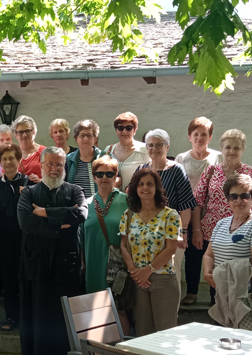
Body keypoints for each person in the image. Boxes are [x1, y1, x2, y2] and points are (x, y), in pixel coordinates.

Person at [16, 147, 87, 355]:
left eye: (59, 164)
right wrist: (60, 225)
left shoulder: (75, 191)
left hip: (66, 270)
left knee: (65, 330)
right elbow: (26, 223)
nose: (54, 169)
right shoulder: (29, 193)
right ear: (42, 165)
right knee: (36, 327)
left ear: (64, 167)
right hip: (36, 270)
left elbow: (81, 214)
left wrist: (45, 213)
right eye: (49, 164)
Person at [193, 129, 252, 304]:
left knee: (242, 277)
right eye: (228, 147)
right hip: (214, 232)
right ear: (222, 149)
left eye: (237, 148)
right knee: (217, 274)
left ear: (242, 150)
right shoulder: (211, 171)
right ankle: (219, 308)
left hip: (244, 233)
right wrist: (197, 230)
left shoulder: (251, 173)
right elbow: (197, 202)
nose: (232, 151)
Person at [119, 168, 181, 336]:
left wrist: (148, 270)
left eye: (149, 184)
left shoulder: (170, 215)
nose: (145, 188)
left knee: (165, 333)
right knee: (143, 333)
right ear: (135, 188)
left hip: (163, 279)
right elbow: (123, 245)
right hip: (138, 281)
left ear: (157, 188)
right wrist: (134, 272)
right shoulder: (128, 215)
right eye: (140, 184)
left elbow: (171, 248)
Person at [203, 173, 252, 307]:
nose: (238, 200)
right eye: (233, 196)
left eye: (244, 196)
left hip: (250, 292)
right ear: (228, 199)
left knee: (250, 321)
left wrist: (228, 279)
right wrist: (208, 273)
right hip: (224, 288)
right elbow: (209, 254)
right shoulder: (221, 224)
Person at [139, 129, 198, 293]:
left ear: (167, 147)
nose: (154, 149)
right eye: (150, 145)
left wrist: (183, 231)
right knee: (149, 273)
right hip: (146, 231)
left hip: (171, 232)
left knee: (172, 273)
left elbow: (185, 204)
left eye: (159, 145)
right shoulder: (142, 170)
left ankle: (172, 307)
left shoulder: (177, 170)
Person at [175, 117, 224, 304]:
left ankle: (214, 295)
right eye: (195, 134)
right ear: (189, 136)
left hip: (212, 213)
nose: (199, 138)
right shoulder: (181, 158)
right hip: (188, 212)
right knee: (193, 253)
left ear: (210, 137)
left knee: (214, 254)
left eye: (204, 134)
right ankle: (192, 292)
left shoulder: (218, 157)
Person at [0, 143, 28, 331]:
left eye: (11, 158)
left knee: (25, 277)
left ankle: (26, 318)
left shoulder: (29, 183)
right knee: (8, 277)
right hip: (3, 237)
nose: (8, 162)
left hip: (25, 238)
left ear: (19, 160)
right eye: (4, 159)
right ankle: (11, 317)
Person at [81, 156, 129, 293]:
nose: (104, 178)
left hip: (119, 264)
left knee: (118, 300)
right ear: (94, 177)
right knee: (95, 300)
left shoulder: (127, 202)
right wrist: (82, 261)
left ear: (115, 177)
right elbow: (81, 237)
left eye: (109, 174)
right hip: (92, 263)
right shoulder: (86, 204)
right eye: (99, 174)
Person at [103, 112, 150, 191]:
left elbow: (150, 177)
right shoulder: (108, 150)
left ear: (135, 130)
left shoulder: (145, 150)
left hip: (135, 197)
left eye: (129, 128)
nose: (124, 131)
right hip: (112, 197)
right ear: (116, 130)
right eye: (120, 128)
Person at [65, 119, 102, 198]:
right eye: (82, 135)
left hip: (99, 204)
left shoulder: (103, 157)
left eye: (89, 135)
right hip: (76, 204)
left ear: (95, 138)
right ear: (76, 139)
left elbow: (116, 179)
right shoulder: (68, 160)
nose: (85, 139)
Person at [12, 115, 45, 182]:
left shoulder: (45, 153)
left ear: (34, 132)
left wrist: (40, 181)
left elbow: (53, 179)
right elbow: (5, 176)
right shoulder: (12, 154)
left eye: (27, 131)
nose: (24, 135)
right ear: (15, 135)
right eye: (21, 132)